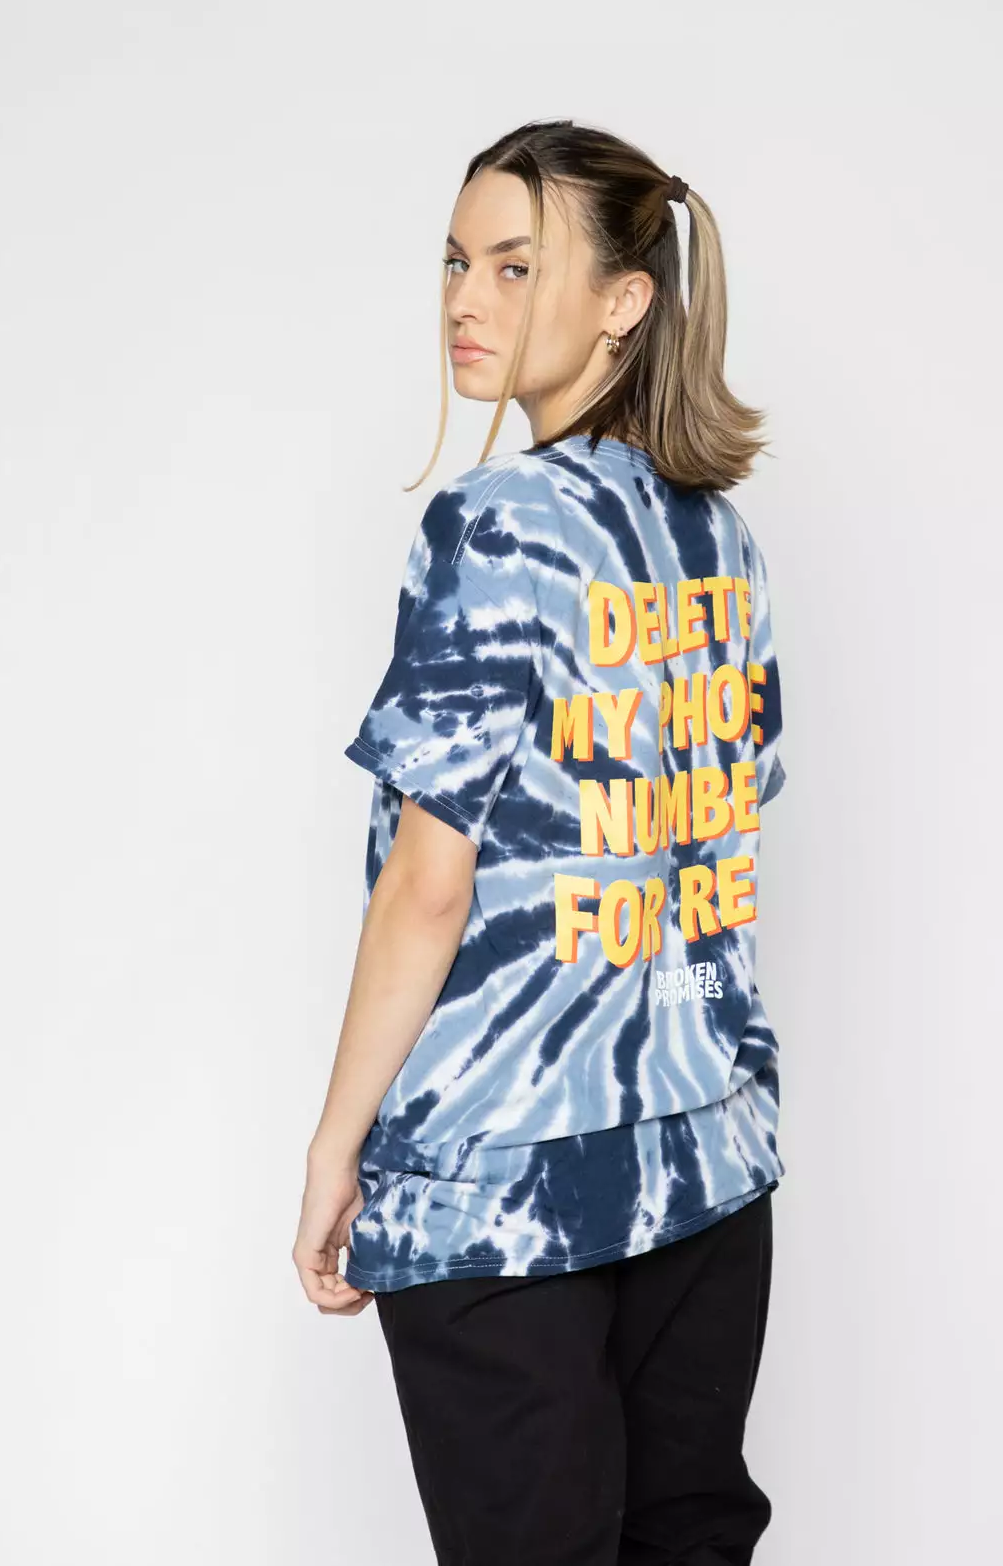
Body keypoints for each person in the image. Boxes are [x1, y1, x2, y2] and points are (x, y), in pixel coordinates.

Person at [292, 118, 789, 1565]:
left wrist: (336, 1148)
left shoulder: (491, 528)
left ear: (625, 300)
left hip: (501, 1189)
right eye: (456, 262)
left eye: (517, 267)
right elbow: (718, 823)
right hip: (704, 1163)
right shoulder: (720, 539)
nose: (467, 299)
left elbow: (428, 884)